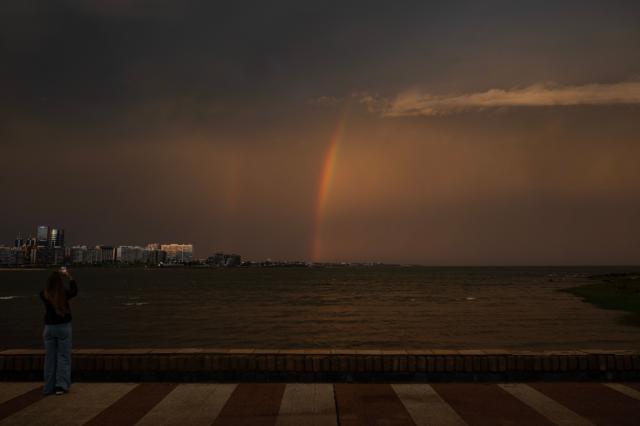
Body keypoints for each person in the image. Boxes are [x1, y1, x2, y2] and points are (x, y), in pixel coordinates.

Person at [40, 267, 77, 395]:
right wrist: (69, 276)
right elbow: (74, 291)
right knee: (64, 357)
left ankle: (48, 387)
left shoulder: (43, 294)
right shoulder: (64, 293)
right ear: (60, 282)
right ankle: (61, 386)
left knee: (49, 358)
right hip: (63, 328)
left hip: (49, 329)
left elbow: (47, 293)